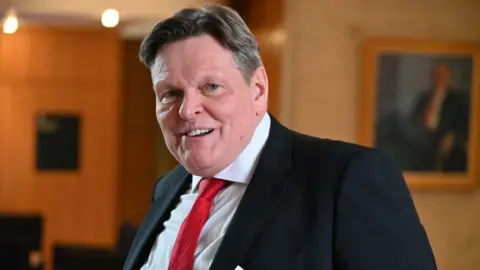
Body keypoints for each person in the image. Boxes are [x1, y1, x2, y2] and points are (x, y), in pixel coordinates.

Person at [123, 4, 437, 270]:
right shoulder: (167, 189)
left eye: (211, 87)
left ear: (258, 89)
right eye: (170, 94)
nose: (187, 110)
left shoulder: (344, 179)